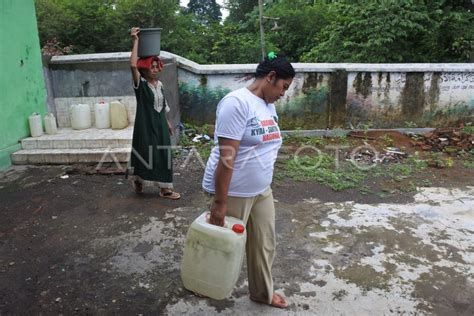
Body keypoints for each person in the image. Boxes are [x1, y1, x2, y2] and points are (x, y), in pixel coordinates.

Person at [202, 52, 295, 308]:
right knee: (223, 246)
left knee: (264, 244)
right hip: (234, 192)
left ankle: (261, 293)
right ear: (271, 77)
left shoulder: (268, 104)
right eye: (283, 87)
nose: (283, 93)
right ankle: (206, 284)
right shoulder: (236, 103)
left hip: (261, 190)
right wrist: (220, 203)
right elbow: (226, 158)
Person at [128, 27, 180, 200]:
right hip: (145, 125)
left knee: (164, 154)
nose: (156, 69)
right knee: (145, 152)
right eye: (152, 67)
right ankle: (139, 180)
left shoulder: (160, 85)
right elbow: (132, 65)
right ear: (144, 69)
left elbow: (162, 104)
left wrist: (167, 122)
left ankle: (165, 189)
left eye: (158, 66)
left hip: (159, 124)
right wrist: (136, 41)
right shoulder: (140, 86)